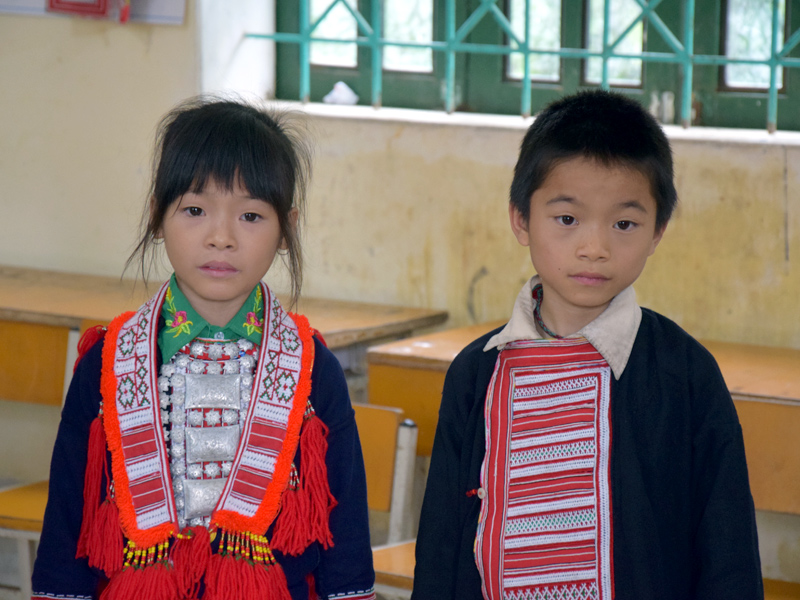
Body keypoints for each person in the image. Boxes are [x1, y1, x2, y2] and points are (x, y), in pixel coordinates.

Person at [412, 90, 763, 600]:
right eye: (567, 219)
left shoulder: (685, 375)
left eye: (624, 224)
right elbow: (442, 542)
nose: (594, 247)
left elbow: (728, 551)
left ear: (658, 230)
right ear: (520, 220)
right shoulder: (478, 373)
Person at [31, 98, 376, 600]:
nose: (221, 238)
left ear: (287, 229)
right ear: (156, 216)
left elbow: (343, 533)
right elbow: (68, 524)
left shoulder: (309, 365)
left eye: (252, 215)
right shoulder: (108, 362)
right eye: (194, 210)